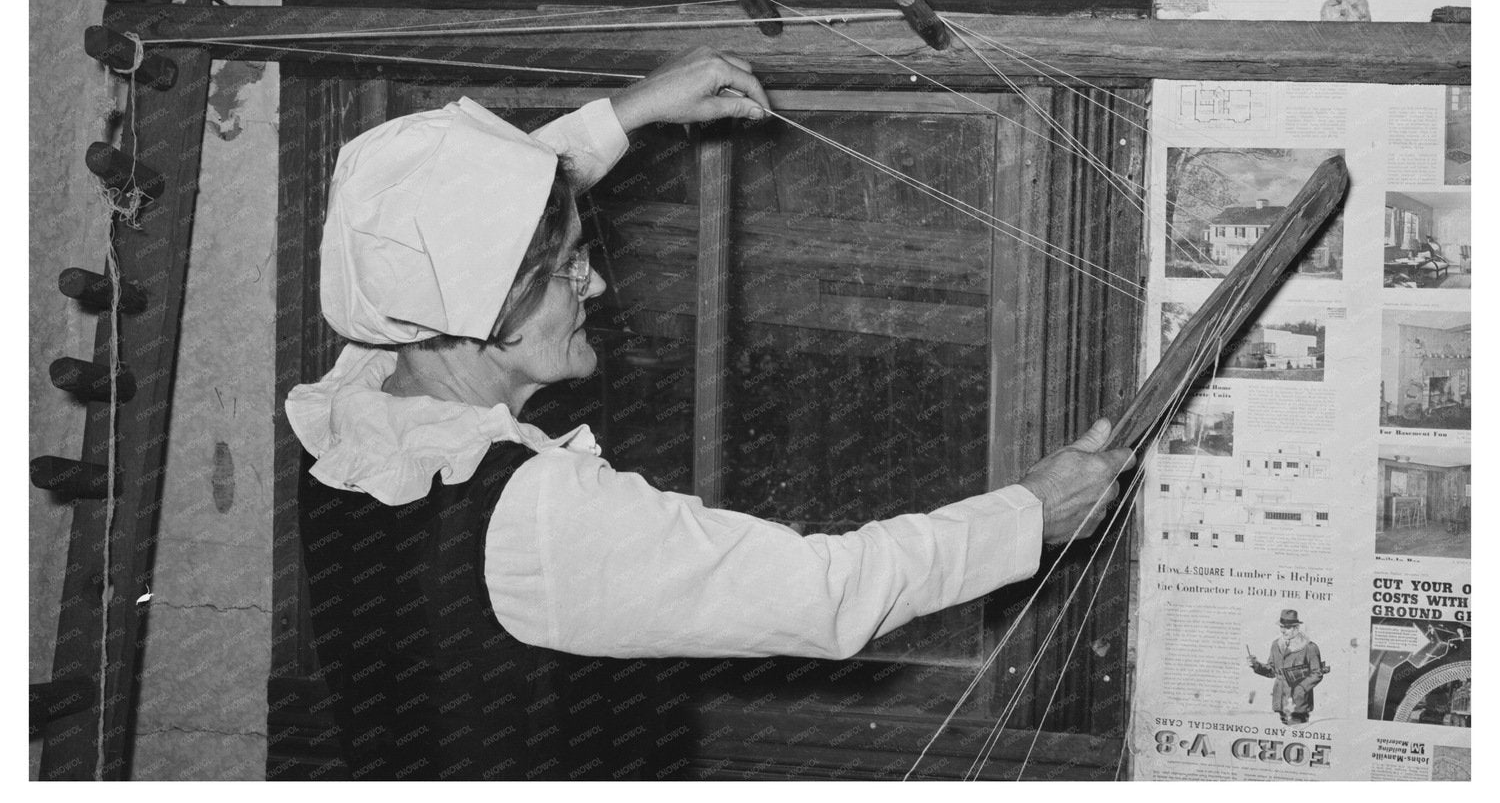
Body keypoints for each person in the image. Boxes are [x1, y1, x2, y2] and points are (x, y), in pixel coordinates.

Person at [287, 49, 1135, 779]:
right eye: (571, 269)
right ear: (486, 303)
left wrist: (633, 112)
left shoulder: (361, 403)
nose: (599, 285)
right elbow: (833, 592)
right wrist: (1031, 512)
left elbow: (446, 229)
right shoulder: (540, 518)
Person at [1249, 609, 1328, 725]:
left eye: (1287, 627)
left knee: (1297, 733)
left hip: (1299, 703)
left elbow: (1317, 673)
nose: (1282, 630)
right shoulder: (1276, 644)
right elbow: (1272, 671)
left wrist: (1301, 688)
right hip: (1280, 700)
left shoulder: (1310, 647)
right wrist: (1255, 665)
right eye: (1281, 626)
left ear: (1296, 628)